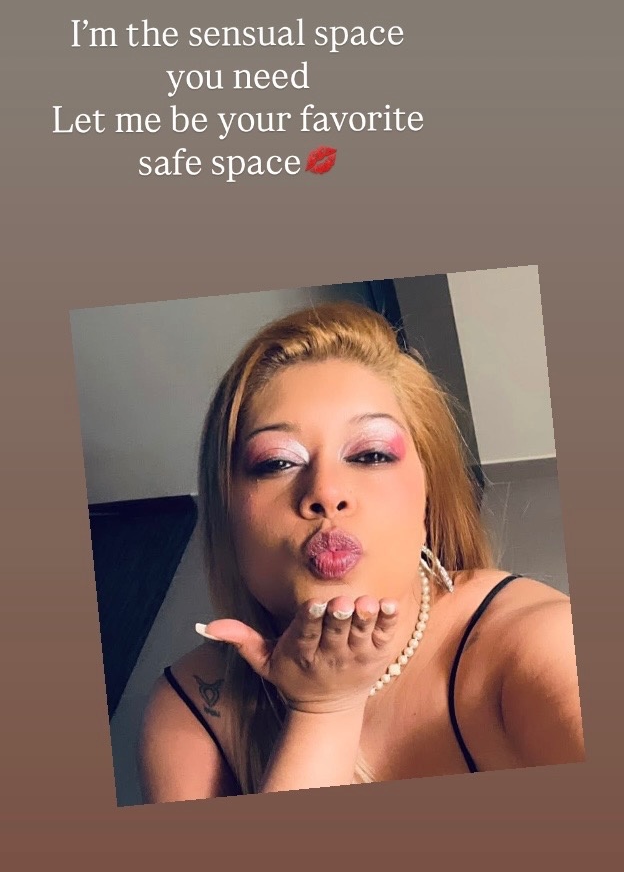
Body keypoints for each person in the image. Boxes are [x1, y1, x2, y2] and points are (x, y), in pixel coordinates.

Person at [139, 302, 584, 801]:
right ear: (227, 511)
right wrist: (323, 709)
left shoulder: (543, 643)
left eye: (371, 454)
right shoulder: (187, 713)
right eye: (277, 462)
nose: (326, 492)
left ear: (428, 492)